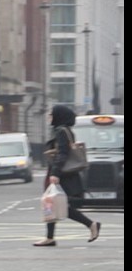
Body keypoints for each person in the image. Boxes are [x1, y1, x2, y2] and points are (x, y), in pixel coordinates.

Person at [34, 104, 99, 247]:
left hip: (61, 173)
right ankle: (50, 237)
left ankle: (91, 224)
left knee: (57, 204)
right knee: (52, 203)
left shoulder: (61, 131)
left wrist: (55, 174)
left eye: (52, 114)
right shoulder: (62, 130)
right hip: (59, 171)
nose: (49, 117)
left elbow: (63, 153)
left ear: (59, 116)